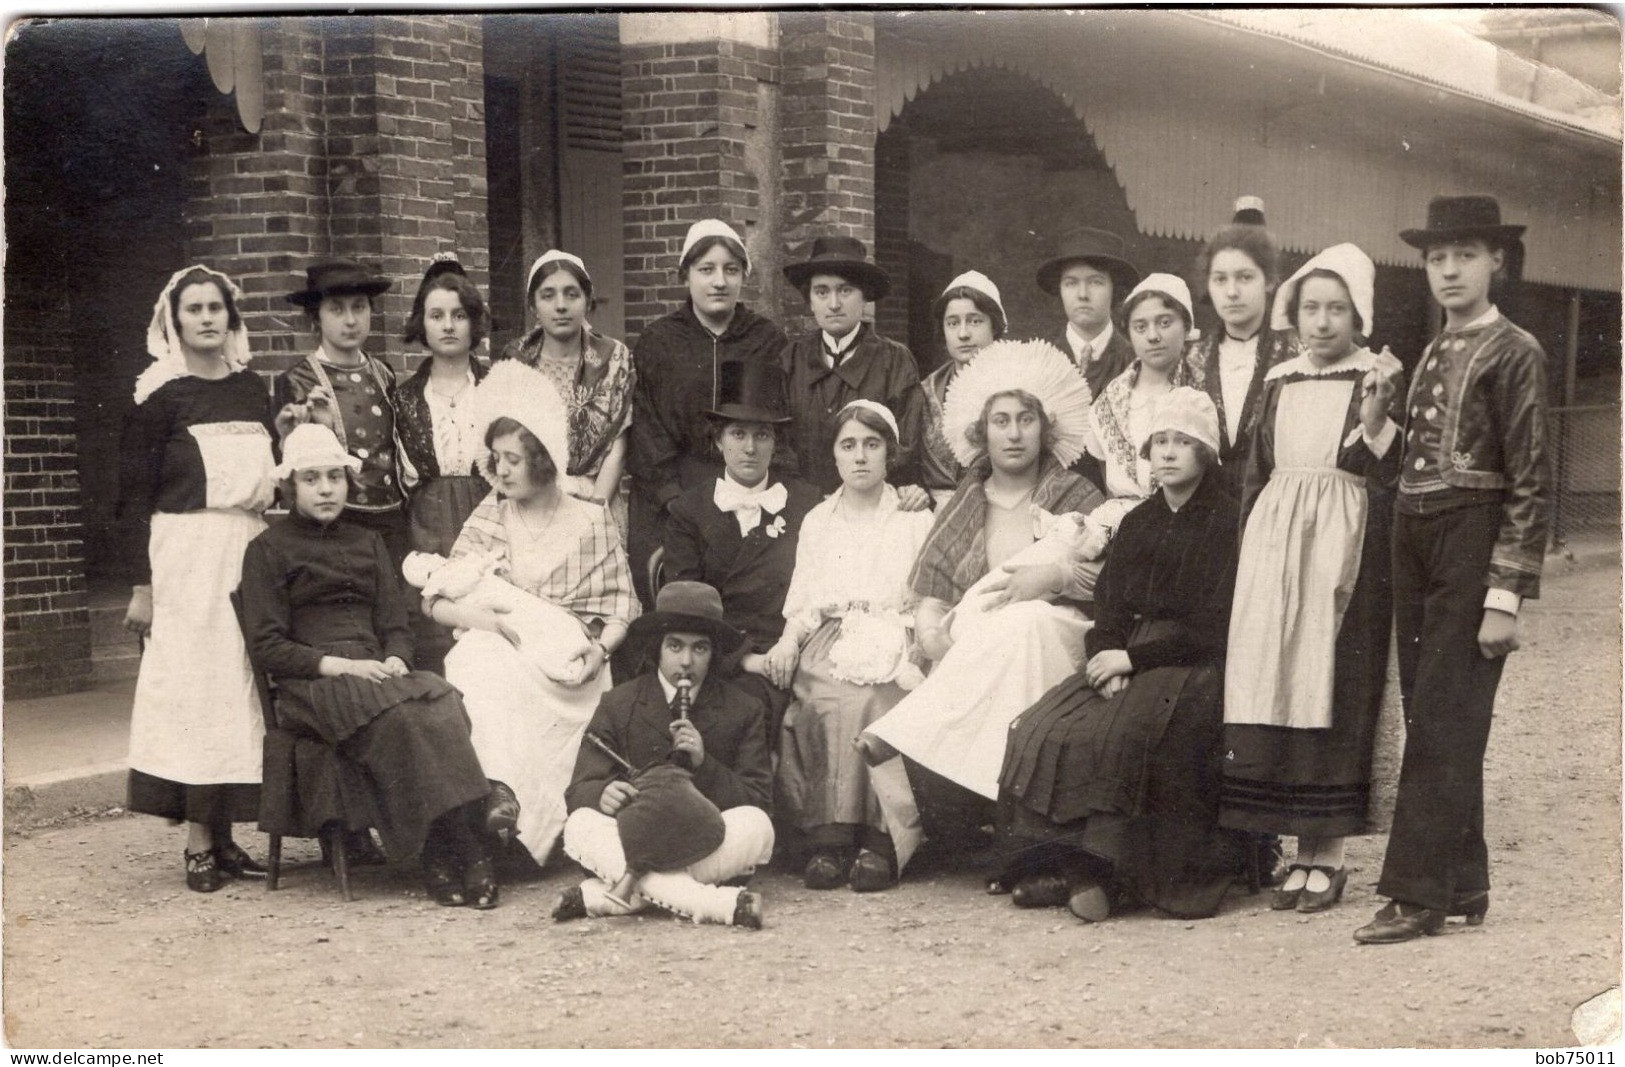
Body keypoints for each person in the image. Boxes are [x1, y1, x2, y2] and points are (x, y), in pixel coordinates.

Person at [1355, 196, 1550, 944]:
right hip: (1413, 529)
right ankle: (1462, 880)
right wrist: (1377, 417)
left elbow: (1529, 482)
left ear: (1495, 260)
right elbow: (1414, 456)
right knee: (1431, 712)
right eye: (1436, 258)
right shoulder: (1433, 346)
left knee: (1443, 714)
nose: (1447, 270)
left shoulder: (1517, 349)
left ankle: (1414, 893)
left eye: (1463, 255)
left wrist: (1505, 594)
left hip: (1471, 535)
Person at [994, 388, 1245, 923]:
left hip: (1192, 662)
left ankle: (1110, 876)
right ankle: (1057, 864)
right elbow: (1108, 603)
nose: (1169, 452)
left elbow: (1218, 623)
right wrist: (1107, 650)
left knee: (1128, 734)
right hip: (1126, 653)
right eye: (1160, 442)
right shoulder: (1138, 522)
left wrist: (1135, 661)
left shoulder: (1228, 520)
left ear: (1206, 453)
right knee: (1044, 726)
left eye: (1183, 442)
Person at [861, 339, 1103, 875]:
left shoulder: (1077, 494)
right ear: (981, 431)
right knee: (1006, 626)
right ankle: (1013, 840)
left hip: (1059, 633)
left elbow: (1107, 579)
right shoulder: (964, 501)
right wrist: (931, 633)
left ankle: (903, 732)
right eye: (1001, 421)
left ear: (1045, 428)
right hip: (980, 645)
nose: (1014, 434)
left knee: (1027, 618)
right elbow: (934, 596)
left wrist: (1052, 575)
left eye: (1025, 420)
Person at [240, 424, 499, 909]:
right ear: (289, 486)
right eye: (311, 478)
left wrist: (398, 657)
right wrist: (340, 667)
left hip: (376, 672)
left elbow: (395, 623)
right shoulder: (267, 551)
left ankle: (446, 850)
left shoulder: (367, 541)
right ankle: (453, 851)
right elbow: (268, 647)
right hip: (314, 682)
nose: (325, 489)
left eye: (334, 477)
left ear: (347, 482)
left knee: (443, 701)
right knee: (402, 717)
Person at [1220, 243, 1403, 917]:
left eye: (1336, 309)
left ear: (1358, 315)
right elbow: (1255, 473)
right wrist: (1249, 552)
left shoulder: (1372, 378)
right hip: (1274, 546)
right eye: (1309, 309)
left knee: (1330, 687)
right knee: (1274, 684)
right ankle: (1294, 852)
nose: (1321, 322)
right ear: (1291, 313)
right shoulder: (1278, 380)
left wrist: (1379, 421)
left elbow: (1388, 473)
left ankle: (1327, 853)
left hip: (1343, 545)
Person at [426, 360, 640, 868]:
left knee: (504, 674)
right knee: (479, 660)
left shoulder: (591, 519)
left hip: (571, 665)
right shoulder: (490, 514)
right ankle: (502, 798)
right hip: (504, 648)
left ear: (543, 461)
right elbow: (436, 599)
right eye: (495, 458)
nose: (499, 471)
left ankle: (531, 827)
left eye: (513, 460)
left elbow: (622, 608)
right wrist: (493, 624)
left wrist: (600, 650)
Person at [118, 265, 277, 893]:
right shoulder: (160, 396)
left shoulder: (252, 391)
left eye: (217, 308)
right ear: (174, 321)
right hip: (183, 555)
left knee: (242, 687)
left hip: (247, 547)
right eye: (194, 310)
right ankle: (198, 843)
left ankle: (231, 835)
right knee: (195, 690)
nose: (207, 319)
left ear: (231, 319)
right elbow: (132, 498)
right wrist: (142, 585)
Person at [773, 400, 935, 892]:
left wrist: (920, 643)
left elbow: (931, 595)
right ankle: (829, 838)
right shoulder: (820, 520)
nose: (861, 456)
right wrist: (786, 641)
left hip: (897, 632)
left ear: (890, 454)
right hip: (834, 633)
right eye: (849, 446)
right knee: (824, 695)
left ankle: (883, 840)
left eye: (872, 444)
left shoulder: (913, 516)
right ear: (835, 456)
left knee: (881, 699)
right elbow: (804, 600)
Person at [552, 581, 773, 929]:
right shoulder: (618, 702)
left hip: (704, 841)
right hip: (632, 835)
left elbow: (758, 798)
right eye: (675, 646)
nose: (686, 661)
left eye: (700, 649)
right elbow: (578, 790)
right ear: (658, 648)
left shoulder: (743, 709)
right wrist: (602, 794)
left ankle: (609, 895)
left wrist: (705, 765)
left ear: (714, 653)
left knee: (758, 827)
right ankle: (716, 905)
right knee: (580, 824)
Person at [627, 219, 789, 606]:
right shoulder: (659, 341)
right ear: (685, 276)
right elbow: (647, 430)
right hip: (671, 488)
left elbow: (777, 425)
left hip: (748, 485)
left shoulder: (766, 339)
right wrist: (675, 499)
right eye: (706, 270)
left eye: (731, 270)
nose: (719, 281)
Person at [662, 361, 822, 741]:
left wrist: (786, 649)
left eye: (762, 435)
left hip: (791, 652)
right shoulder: (689, 511)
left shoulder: (807, 504)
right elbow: (686, 606)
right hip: (718, 656)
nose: (750, 448)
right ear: (718, 440)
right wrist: (749, 660)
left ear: (775, 443)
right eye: (737, 434)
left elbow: (820, 587)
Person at [392, 254, 493, 674]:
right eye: (436, 316)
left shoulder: (496, 386)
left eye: (458, 315)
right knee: (434, 630)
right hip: (426, 523)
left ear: (474, 323)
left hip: (487, 517)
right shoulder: (405, 397)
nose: (448, 326)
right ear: (422, 324)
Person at [275, 259, 407, 564]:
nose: (351, 320)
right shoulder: (298, 380)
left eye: (359, 307)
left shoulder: (383, 373)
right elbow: (288, 471)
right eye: (337, 309)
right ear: (316, 318)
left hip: (391, 519)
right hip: (337, 522)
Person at [497, 249, 635, 538]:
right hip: (531, 500)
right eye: (548, 295)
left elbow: (617, 446)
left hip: (597, 497)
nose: (561, 305)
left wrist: (593, 510)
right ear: (533, 305)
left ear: (587, 300)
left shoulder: (613, 359)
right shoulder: (515, 360)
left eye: (571, 294)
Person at [780, 235, 926, 507]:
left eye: (845, 290)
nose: (833, 303)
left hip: (873, 507)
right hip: (801, 506)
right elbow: (779, 442)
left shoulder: (894, 361)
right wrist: (806, 495)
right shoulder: (791, 359)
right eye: (822, 292)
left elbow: (905, 445)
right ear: (810, 301)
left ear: (865, 298)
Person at [1183, 197, 1301, 498]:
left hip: (1274, 502)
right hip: (1206, 509)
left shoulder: (1296, 355)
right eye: (1220, 279)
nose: (1232, 292)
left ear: (1270, 281)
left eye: (1245, 277)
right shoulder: (1192, 358)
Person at [1081, 273, 1195, 541]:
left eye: (1165, 323)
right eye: (1140, 327)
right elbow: (1106, 476)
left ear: (1186, 327)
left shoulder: (1200, 391)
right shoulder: (1109, 401)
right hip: (1120, 526)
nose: (1153, 336)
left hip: (1185, 528)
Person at [1035, 227, 1140, 493]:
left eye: (1095, 281)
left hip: (1115, 499)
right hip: (1046, 498)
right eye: (1071, 282)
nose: (1082, 294)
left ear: (1114, 289)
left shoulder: (1135, 361)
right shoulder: (1038, 359)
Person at [896, 271, 1007, 505]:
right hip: (938, 512)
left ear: (994, 326)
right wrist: (916, 491)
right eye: (953, 323)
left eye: (975, 321)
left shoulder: (1019, 385)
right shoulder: (926, 392)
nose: (963, 333)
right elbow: (910, 465)